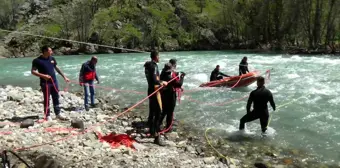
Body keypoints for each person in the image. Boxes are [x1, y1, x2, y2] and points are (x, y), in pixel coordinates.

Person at [31, 45, 69, 121]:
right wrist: (43, 75)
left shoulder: (52, 58)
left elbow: (57, 68)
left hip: (54, 82)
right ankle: (47, 115)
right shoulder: (37, 60)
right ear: (45, 51)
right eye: (50, 50)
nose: (52, 52)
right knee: (47, 99)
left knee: (56, 97)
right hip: (45, 83)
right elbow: (33, 71)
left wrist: (64, 77)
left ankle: (58, 113)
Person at [144, 50, 168, 146]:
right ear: (155, 57)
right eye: (159, 56)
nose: (159, 58)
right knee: (158, 112)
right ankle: (156, 136)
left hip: (150, 90)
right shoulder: (153, 66)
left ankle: (152, 130)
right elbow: (154, 80)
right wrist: (162, 82)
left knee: (153, 112)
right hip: (155, 91)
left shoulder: (148, 65)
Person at [159, 62, 185, 133]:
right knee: (170, 112)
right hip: (170, 96)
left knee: (164, 111)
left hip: (163, 95)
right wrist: (182, 77)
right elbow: (179, 84)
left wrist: (176, 74)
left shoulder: (162, 74)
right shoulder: (169, 77)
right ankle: (168, 128)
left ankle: (158, 124)